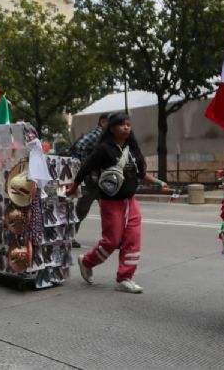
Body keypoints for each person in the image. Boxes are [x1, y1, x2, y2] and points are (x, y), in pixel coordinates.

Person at [68, 111, 169, 294]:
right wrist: (74, 186)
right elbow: (86, 168)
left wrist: (159, 183)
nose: (126, 128)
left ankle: (125, 278)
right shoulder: (104, 149)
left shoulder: (132, 148)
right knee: (112, 241)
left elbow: (141, 173)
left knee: (132, 240)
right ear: (112, 128)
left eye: (128, 125)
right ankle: (87, 261)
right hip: (110, 203)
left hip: (130, 202)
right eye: (122, 125)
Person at [68, 113, 108, 248]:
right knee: (81, 209)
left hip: (102, 180)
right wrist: (87, 165)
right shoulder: (97, 134)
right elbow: (80, 146)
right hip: (92, 180)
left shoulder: (107, 137)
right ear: (102, 122)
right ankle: (69, 236)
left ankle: (112, 238)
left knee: (109, 210)